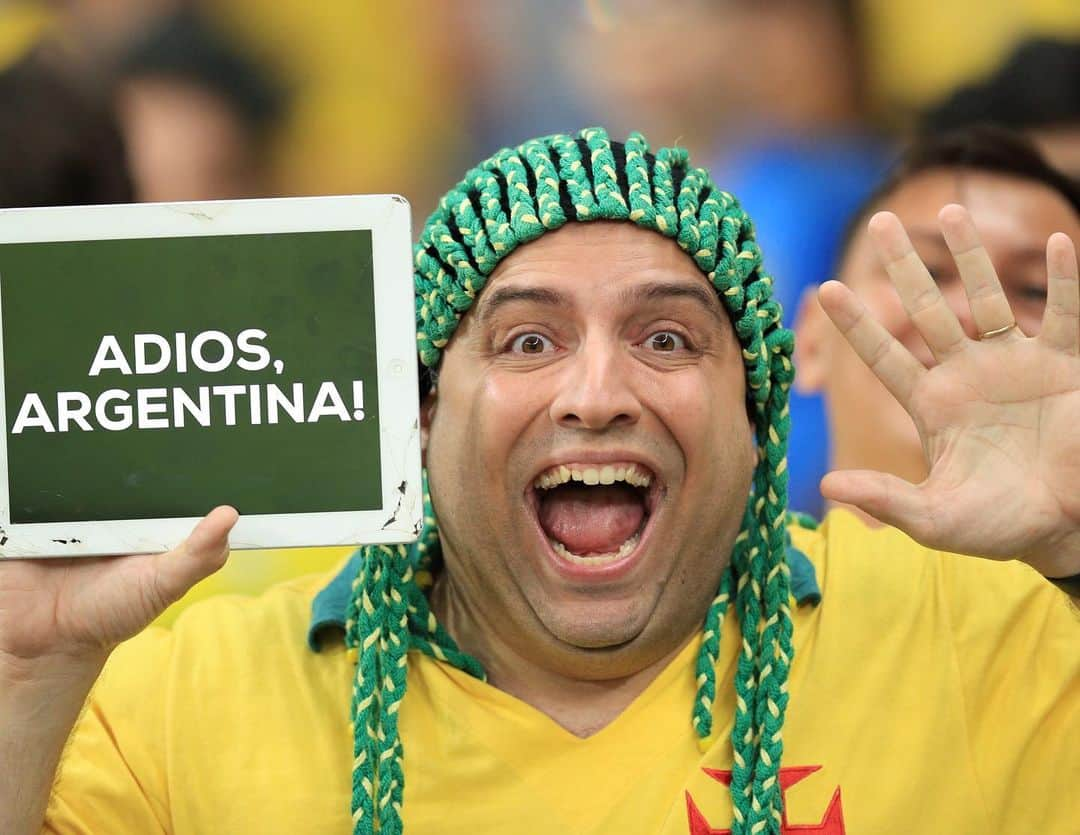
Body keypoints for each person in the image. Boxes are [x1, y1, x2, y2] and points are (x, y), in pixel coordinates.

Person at [2, 128, 1077, 835]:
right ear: (421, 415)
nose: (597, 391)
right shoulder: (184, 701)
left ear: (756, 425)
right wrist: (27, 673)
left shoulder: (986, 633)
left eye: (666, 337)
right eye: (526, 343)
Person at [795, 125, 1080, 501]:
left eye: (1033, 290)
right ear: (812, 339)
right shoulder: (718, 560)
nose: (974, 314)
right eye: (927, 271)